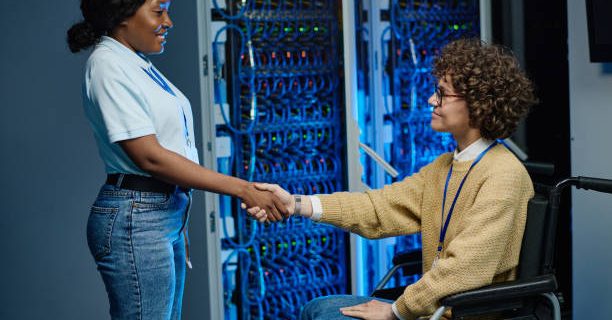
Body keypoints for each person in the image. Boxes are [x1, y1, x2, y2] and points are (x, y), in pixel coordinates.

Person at [246, 38, 538, 319]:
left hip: (462, 315)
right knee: (318, 307)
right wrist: (297, 204)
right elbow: (379, 208)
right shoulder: (445, 167)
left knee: (326, 314)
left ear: (478, 102)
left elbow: (466, 267)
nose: (430, 99)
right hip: (431, 311)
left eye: (442, 93)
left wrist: (397, 310)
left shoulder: (504, 176)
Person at [67, 0, 288, 318]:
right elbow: (150, 158)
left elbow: (171, 146)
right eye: (159, 11)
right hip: (137, 219)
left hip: (159, 212)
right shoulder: (107, 64)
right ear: (121, 16)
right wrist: (243, 189)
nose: (168, 22)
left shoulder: (134, 62)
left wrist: (177, 218)